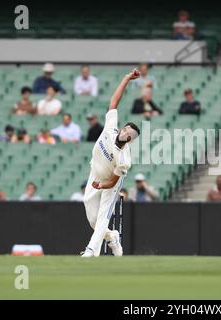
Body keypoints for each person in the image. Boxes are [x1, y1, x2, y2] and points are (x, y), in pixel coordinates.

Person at [80, 69, 141, 258]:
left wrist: (102, 185)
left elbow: (113, 182)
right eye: (127, 129)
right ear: (123, 128)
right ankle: (112, 237)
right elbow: (114, 102)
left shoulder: (124, 158)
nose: (126, 133)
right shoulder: (110, 128)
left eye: (130, 135)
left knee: (102, 217)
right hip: (95, 174)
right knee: (92, 219)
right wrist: (126, 79)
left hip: (110, 184)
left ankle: (91, 251)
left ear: (130, 140)